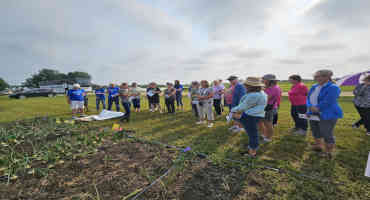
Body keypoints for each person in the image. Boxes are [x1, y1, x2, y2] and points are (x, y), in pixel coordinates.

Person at [307, 69, 343, 159]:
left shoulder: (333, 87)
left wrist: (317, 107)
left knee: (326, 132)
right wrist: (310, 107)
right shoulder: (314, 86)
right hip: (313, 112)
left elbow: (329, 101)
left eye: (322, 76)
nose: (318, 78)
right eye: (317, 76)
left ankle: (328, 152)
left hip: (327, 113)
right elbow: (308, 98)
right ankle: (318, 146)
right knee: (315, 130)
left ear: (328, 77)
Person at [231, 77, 267, 157]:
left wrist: (233, 110)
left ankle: (252, 152)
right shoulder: (262, 93)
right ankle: (252, 147)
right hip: (257, 115)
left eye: (246, 85)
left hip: (250, 116)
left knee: (252, 134)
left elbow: (243, 106)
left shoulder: (253, 95)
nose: (244, 86)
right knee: (253, 132)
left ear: (250, 86)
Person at [260, 74, 281, 143]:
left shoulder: (274, 88)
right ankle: (265, 135)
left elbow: (265, 98)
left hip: (269, 108)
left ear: (269, 81)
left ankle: (268, 138)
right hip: (266, 107)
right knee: (264, 122)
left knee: (268, 123)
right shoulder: (269, 87)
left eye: (264, 79)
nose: (262, 80)